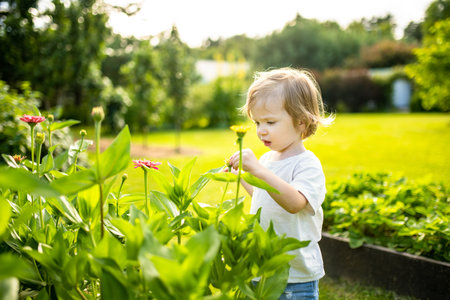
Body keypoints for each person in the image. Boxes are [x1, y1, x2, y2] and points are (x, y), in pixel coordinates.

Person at [228, 67, 334, 299]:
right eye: (257, 123)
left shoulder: (307, 164)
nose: (260, 131)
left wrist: (257, 169)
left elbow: (294, 202)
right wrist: (242, 177)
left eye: (270, 122)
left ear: (302, 122)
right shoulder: (267, 159)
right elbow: (263, 193)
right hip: (263, 269)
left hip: (294, 277)